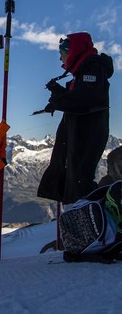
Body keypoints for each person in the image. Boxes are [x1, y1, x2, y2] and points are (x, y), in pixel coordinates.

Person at [37, 32, 114, 205]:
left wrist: (58, 101)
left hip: (86, 134)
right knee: (73, 177)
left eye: (62, 53)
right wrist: (58, 92)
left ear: (72, 52)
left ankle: (87, 220)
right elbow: (81, 97)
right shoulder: (84, 70)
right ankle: (79, 217)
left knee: (80, 179)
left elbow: (86, 97)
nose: (60, 59)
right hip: (79, 133)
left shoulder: (93, 67)